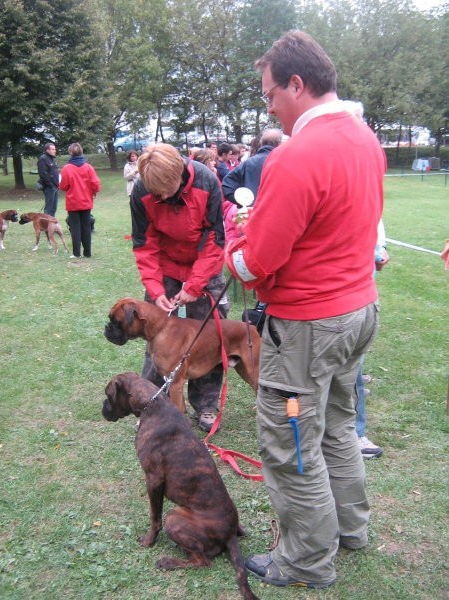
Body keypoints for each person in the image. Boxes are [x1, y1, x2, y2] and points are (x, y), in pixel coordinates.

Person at [225, 31, 385, 588]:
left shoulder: (297, 155)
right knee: (337, 426)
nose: (268, 106)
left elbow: (256, 264)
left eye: (270, 94)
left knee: (288, 441)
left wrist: (233, 242)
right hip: (358, 309)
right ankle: (349, 529)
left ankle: (306, 560)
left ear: (297, 84)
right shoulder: (365, 139)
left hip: (309, 324)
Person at [129, 143, 230, 433]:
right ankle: (153, 404)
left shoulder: (206, 181)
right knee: (156, 336)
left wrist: (196, 284)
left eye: (164, 191)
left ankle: (206, 405)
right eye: (154, 192)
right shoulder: (141, 191)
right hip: (165, 266)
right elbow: (144, 244)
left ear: (178, 176)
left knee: (209, 335)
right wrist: (155, 289)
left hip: (203, 264)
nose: (158, 197)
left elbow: (215, 239)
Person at [356, 219, 390, 458]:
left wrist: (380, 250)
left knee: (351, 372)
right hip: (330, 302)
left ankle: (355, 434)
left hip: (360, 296)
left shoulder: (367, 185)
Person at [59, 143, 101, 259]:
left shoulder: (67, 168)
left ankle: (76, 253)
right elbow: (96, 184)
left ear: (70, 153)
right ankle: (87, 252)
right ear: (81, 152)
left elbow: (63, 186)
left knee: (75, 228)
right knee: (86, 227)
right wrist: (94, 191)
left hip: (73, 202)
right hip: (86, 201)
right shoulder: (88, 167)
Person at [222, 128, 283, 204]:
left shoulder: (248, 163)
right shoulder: (284, 163)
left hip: (252, 211)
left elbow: (227, 185)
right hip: (276, 211)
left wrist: (243, 202)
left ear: (261, 143)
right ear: (279, 144)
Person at [37, 143, 59, 216]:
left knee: (54, 207)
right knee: (49, 208)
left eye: (55, 149)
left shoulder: (52, 159)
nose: (55, 151)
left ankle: (52, 224)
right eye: (53, 149)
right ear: (47, 150)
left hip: (55, 186)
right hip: (49, 187)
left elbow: (54, 172)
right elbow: (43, 174)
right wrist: (51, 185)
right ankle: (46, 224)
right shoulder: (43, 159)